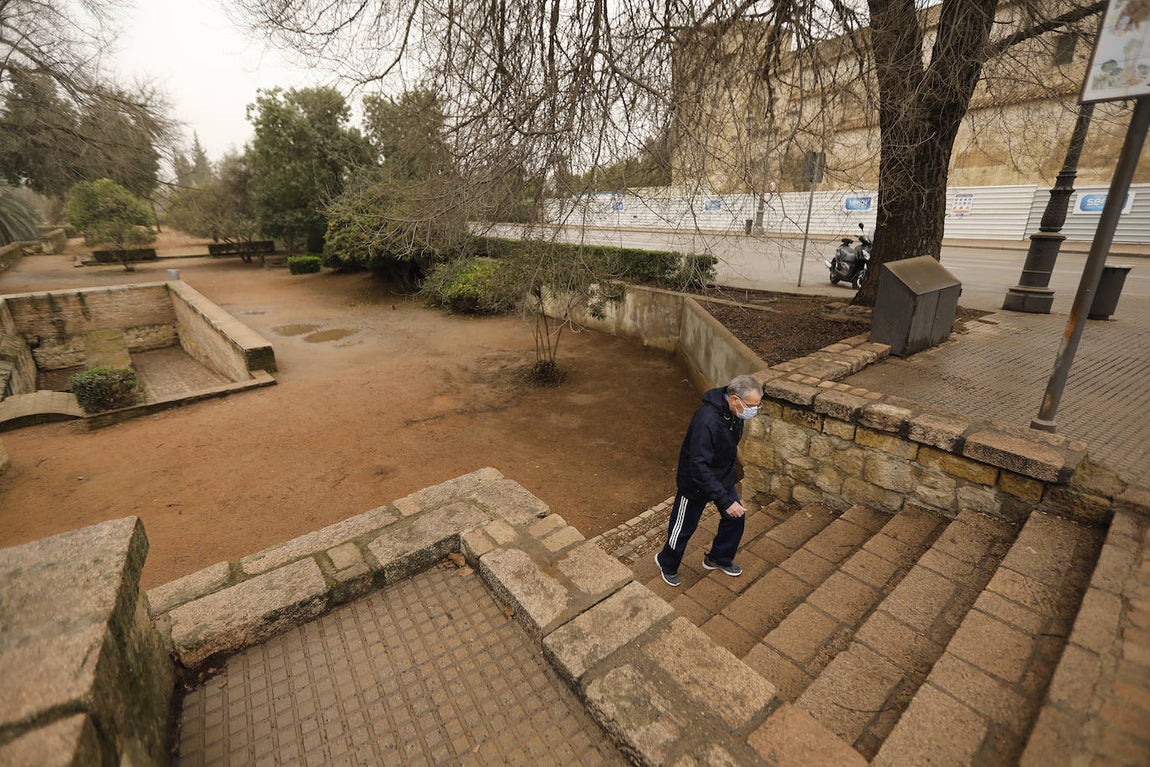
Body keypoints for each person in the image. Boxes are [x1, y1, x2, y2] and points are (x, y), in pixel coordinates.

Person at [655, 374, 763, 587]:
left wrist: (726, 491)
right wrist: (724, 500)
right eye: (751, 406)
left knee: (735, 519)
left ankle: (718, 558)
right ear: (734, 399)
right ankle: (666, 562)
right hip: (695, 484)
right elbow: (698, 465)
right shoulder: (706, 420)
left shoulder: (734, 414)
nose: (754, 411)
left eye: (757, 406)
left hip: (722, 478)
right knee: (683, 528)